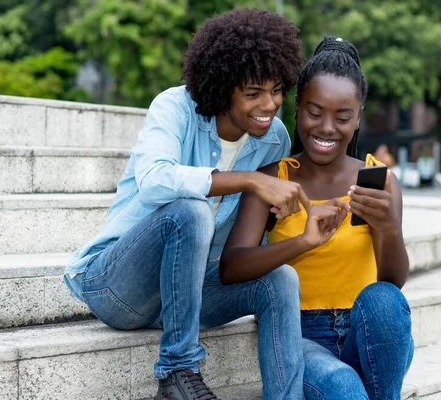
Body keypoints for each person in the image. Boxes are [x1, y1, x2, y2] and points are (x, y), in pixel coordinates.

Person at [63, 8, 308, 400]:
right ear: (223, 85)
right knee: (189, 210)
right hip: (117, 285)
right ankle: (177, 372)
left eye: (277, 90)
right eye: (253, 93)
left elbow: (247, 233)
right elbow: (155, 181)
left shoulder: (274, 138)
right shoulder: (174, 107)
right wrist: (251, 179)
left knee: (281, 279)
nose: (269, 104)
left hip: (191, 290)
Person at [220, 36, 414, 400]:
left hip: (366, 334)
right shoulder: (272, 179)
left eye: (342, 117)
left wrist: (388, 230)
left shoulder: (380, 180)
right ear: (297, 110)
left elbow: (393, 282)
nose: (326, 128)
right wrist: (302, 242)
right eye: (315, 112)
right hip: (298, 336)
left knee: (384, 299)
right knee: (344, 388)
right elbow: (231, 268)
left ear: (357, 120)